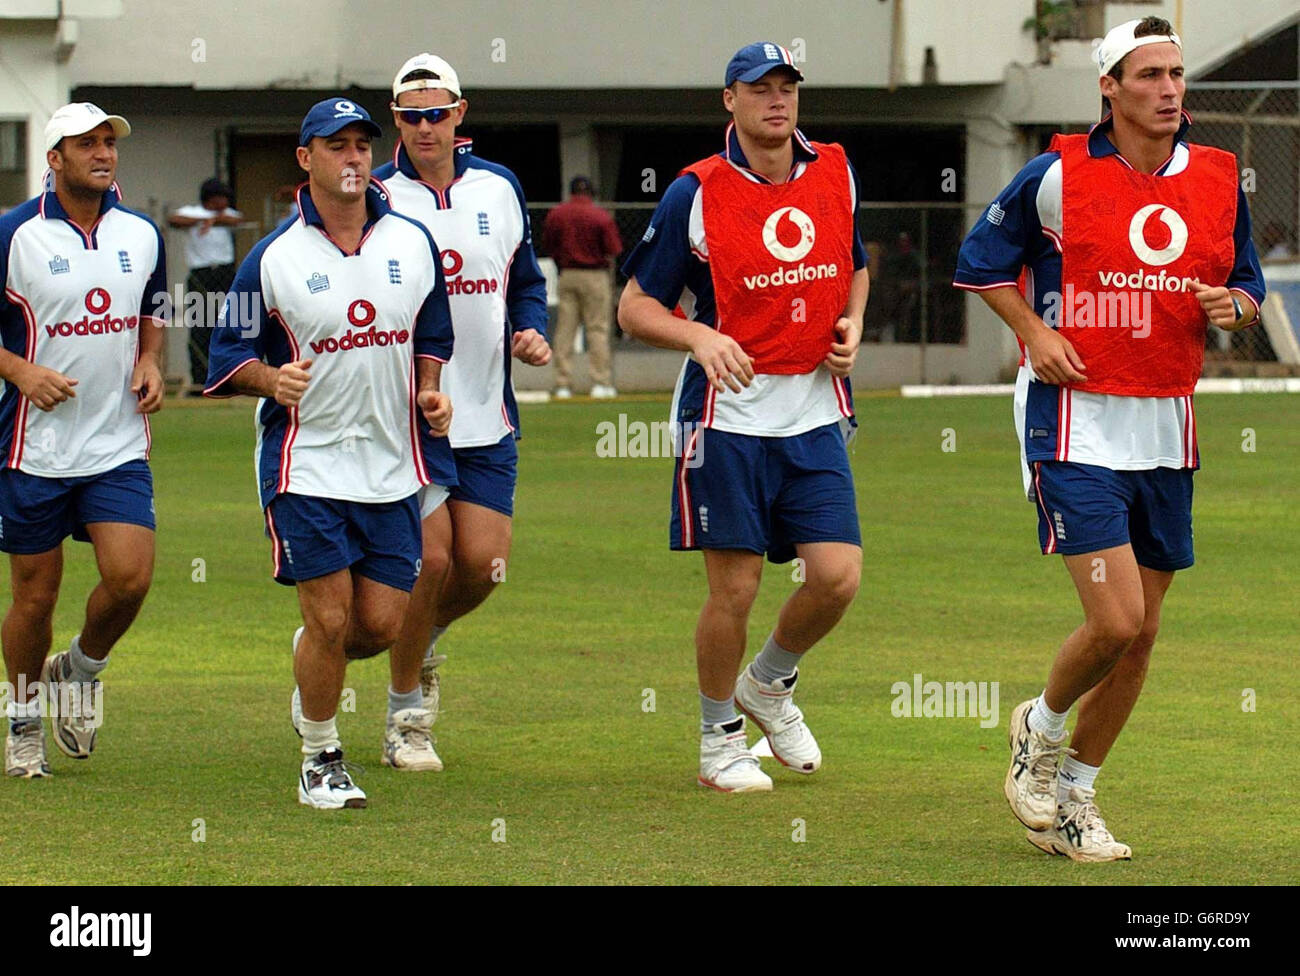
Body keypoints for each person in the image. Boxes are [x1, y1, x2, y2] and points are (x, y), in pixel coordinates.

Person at [953, 18, 1265, 861]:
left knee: (1144, 634)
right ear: (1110, 87)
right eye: (1150, 74)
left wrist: (1231, 307)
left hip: (1166, 424)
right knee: (1117, 618)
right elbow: (980, 261)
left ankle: (1077, 799)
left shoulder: (1218, 176)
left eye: (1177, 73)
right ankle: (1039, 728)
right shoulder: (1055, 176)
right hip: (1073, 420)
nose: (1170, 89)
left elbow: (1248, 288)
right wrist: (1034, 333)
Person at [618, 42, 868, 793]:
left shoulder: (836, 169)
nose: (778, 100)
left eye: (788, 86)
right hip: (724, 419)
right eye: (760, 88)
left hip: (815, 410)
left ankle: (768, 683)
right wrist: (698, 334)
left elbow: (854, 264)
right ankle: (718, 738)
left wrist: (852, 322)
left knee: (837, 577)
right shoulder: (694, 192)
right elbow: (635, 305)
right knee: (736, 589)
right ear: (729, 99)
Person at [204, 98, 456, 809]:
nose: (351, 157)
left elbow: (433, 332)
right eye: (335, 145)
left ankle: (312, 669)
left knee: (376, 626)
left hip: (392, 464)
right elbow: (225, 358)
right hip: (304, 463)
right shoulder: (273, 258)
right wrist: (268, 377)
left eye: (359, 145)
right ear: (305, 158)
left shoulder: (411, 242)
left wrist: (431, 390)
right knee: (330, 619)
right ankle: (321, 756)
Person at [372, 53, 550, 772]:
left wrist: (531, 327)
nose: (425, 126)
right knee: (432, 560)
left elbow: (525, 281)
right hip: (410, 415)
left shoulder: (500, 187)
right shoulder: (377, 196)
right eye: (411, 115)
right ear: (397, 121)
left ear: (459, 114)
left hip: (487, 412)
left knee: (483, 568)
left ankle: (409, 642)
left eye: (436, 112)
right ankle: (404, 715)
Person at [0, 102, 167, 777]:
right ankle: (22, 718)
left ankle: (79, 668)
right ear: (54, 158)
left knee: (130, 579)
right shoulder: (13, 234)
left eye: (109, 142)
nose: (103, 153)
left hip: (116, 442)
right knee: (34, 596)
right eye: (86, 144)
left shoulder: (142, 232)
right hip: (31, 447)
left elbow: (153, 309)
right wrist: (20, 370)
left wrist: (151, 359)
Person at [543, 175, 623, 398]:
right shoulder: (600, 216)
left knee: (565, 330)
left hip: (568, 274)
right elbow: (614, 248)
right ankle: (600, 382)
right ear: (591, 193)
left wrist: (562, 260)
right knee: (597, 329)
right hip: (595, 275)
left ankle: (562, 384)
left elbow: (549, 244)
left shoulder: (557, 214)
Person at [168, 179, 242, 392]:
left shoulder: (227, 214)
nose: (224, 202)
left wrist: (215, 220)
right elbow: (175, 219)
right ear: (210, 198)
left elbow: (236, 220)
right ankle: (201, 380)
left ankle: (229, 377)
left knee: (230, 324)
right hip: (202, 274)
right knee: (201, 326)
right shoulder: (192, 212)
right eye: (221, 198)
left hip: (226, 273)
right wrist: (206, 219)